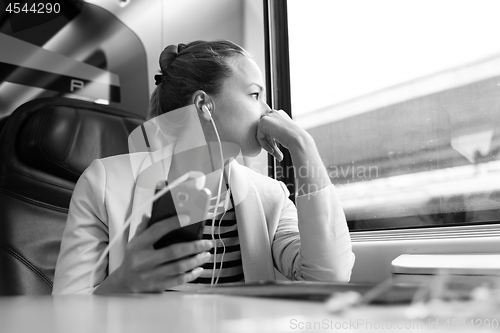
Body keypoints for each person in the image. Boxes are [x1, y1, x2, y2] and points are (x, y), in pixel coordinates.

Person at [52, 40, 355, 294]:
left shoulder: (269, 195)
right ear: (203, 105)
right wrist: (124, 284)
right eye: (255, 95)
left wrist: (304, 148)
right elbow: (62, 318)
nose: (271, 112)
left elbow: (328, 279)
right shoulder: (104, 184)